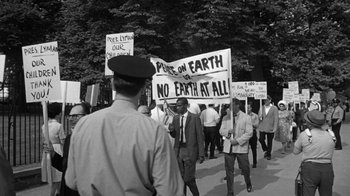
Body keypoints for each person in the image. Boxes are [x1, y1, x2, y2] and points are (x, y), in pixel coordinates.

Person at [65, 56, 184, 196]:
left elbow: (72, 181)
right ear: (143, 87)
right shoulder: (154, 130)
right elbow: (170, 191)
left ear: (112, 84)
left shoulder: (83, 125)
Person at [45, 102, 91, 196]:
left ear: (87, 117)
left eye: (75, 116)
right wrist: (53, 154)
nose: (71, 119)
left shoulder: (93, 140)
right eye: (70, 116)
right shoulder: (69, 139)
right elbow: (66, 167)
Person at [293, 110, 335, 196]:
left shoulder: (305, 135)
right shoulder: (331, 135)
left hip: (310, 169)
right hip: (327, 168)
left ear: (309, 123)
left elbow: (295, 151)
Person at [169, 97, 205, 196]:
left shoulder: (194, 118)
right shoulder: (175, 118)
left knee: (188, 179)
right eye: (176, 105)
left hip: (190, 150)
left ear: (185, 106)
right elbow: (174, 135)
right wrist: (171, 131)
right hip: (179, 150)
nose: (177, 107)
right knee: (180, 179)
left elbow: (200, 136)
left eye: (179, 105)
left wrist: (201, 153)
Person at [220, 98, 253, 195]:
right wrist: (227, 132)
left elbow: (249, 133)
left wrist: (237, 141)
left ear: (237, 105)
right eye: (229, 105)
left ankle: (248, 183)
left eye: (232, 105)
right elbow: (221, 130)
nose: (230, 107)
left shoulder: (246, 117)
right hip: (228, 148)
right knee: (229, 170)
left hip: (240, 148)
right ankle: (230, 191)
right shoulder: (226, 117)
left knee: (245, 168)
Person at [42, 102, 66, 196]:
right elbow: (63, 140)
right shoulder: (59, 126)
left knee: (54, 177)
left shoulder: (44, 126)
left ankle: (59, 193)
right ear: (59, 114)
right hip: (56, 149)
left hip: (47, 149)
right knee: (58, 176)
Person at [257, 95, 279, 160]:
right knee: (261, 139)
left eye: (266, 100)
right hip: (262, 127)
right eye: (264, 100)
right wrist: (259, 116)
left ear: (270, 100)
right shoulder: (262, 107)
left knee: (270, 141)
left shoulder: (274, 108)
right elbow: (259, 116)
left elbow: (276, 118)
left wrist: (275, 127)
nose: (265, 101)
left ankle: (268, 154)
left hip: (270, 127)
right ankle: (266, 149)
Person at [247, 103, 259, 168]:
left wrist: (249, 123)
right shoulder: (243, 115)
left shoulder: (255, 116)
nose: (247, 109)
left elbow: (256, 125)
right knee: (245, 149)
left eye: (248, 107)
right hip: (245, 134)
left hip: (253, 133)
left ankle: (254, 162)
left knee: (253, 149)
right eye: (246, 107)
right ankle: (246, 163)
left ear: (251, 108)